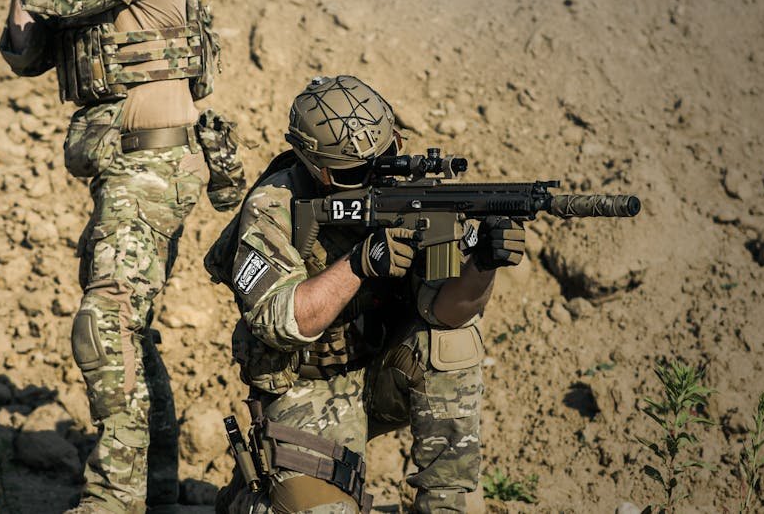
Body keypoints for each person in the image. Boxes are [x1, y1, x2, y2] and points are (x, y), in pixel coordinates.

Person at [0, 0, 240, 512]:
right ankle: (155, 491)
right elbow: (23, 52)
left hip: (154, 164)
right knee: (129, 329)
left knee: (103, 323)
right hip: (124, 170)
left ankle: (114, 500)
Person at [207, 76, 525, 514]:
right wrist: (360, 263)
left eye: (387, 158)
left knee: (453, 340)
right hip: (308, 388)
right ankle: (252, 499)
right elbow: (280, 321)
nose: (376, 176)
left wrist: (483, 265)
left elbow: (448, 313)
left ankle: (448, 503)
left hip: (382, 374)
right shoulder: (272, 205)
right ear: (317, 169)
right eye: (355, 173)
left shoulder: (416, 199)